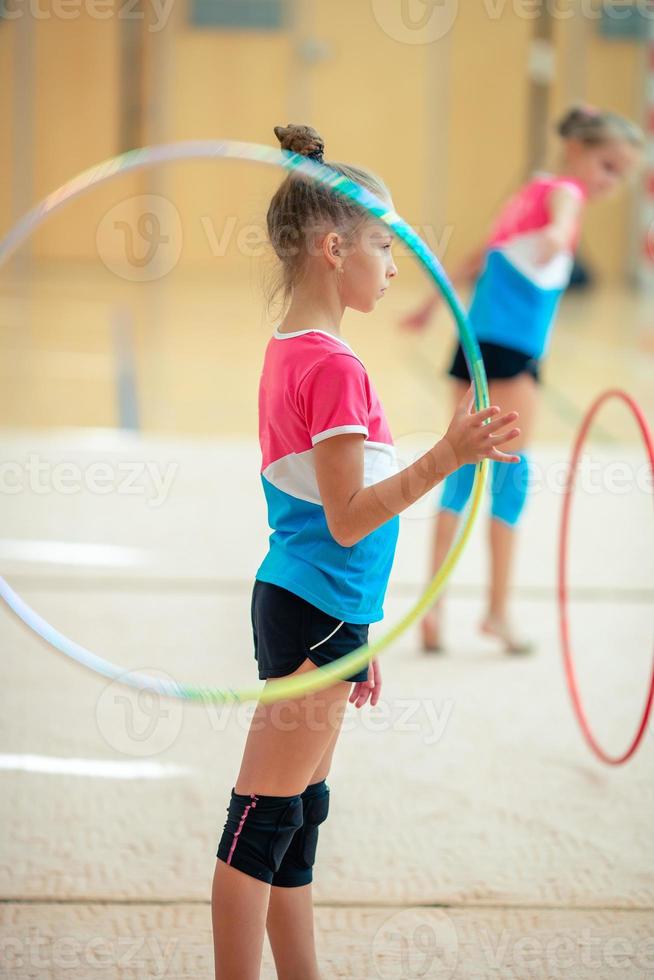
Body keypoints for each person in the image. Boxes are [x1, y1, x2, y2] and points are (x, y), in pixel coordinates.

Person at [210, 123, 522, 980]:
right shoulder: (335, 368)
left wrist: (364, 632)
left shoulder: (297, 350)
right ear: (333, 247)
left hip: (322, 608)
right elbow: (349, 517)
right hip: (312, 607)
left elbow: (323, 518)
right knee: (261, 824)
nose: (395, 264)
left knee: (299, 816)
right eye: (386, 246)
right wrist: (448, 455)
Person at [401, 106, 643, 655]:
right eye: (608, 165)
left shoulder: (528, 191)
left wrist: (426, 309)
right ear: (577, 151)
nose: (610, 182)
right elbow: (562, 218)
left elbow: (480, 258)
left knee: (458, 468)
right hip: (511, 355)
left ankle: (434, 611)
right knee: (512, 476)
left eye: (620, 175)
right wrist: (562, 235)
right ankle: (497, 613)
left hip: (473, 348)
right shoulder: (565, 194)